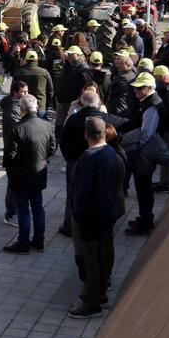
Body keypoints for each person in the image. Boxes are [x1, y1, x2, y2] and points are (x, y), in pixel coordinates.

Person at [68, 117, 126, 319]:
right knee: (104, 253)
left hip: (90, 217)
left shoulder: (88, 159)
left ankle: (91, 301)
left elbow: (81, 192)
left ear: (86, 135)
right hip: (109, 214)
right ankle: (101, 291)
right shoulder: (114, 154)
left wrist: (78, 215)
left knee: (91, 259)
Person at [3, 94, 56, 253]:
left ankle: (23, 242)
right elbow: (52, 148)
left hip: (21, 176)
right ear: (37, 107)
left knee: (23, 210)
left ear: (22, 109)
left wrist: (11, 169)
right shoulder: (47, 125)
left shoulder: (18, 128)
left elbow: (10, 156)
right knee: (38, 208)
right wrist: (43, 159)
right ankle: (39, 241)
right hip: (39, 174)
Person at [120, 72, 169, 236]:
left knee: (144, 187)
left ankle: (146, 221)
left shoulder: (152, 105)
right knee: (143, 187)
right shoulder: (148, 102)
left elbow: (146, 133)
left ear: (149, 88)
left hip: (144, 154)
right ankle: (144, 218)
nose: (135, 92)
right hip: (144, 152)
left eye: (139, 89)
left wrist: (135, 147)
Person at [58, 88, 110, 236]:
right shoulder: (104, 119)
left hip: (75, 161)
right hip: (99, 160)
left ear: (82, 101)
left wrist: (69, 158)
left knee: (72, 194)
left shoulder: (73, 119)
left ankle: (69, 226)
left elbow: (63, 141)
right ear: (98, 102)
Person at [0, 80, 29, 224]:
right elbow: (21, 127)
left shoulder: (18, 104)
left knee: (17, 182)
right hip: (14, 150)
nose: (26, 94)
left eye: (27, 91)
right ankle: (11, 214)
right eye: (23, 92)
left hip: (17, 148)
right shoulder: (12, 107)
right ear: (15, 92)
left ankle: (14, 211)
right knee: (14, 182)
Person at [55, 47, 92, 132]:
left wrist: (78, 100)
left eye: (71, 54)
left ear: (78, 55)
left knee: (71, 127)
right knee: (60, 126)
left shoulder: (83, 68)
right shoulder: (67, 65)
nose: (68, 56)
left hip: (74, 103)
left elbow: (85, 86)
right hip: (62, 101)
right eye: (68, 54)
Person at [106, 51, 138, 122]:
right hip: (126, 107)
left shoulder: (121, 78)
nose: (118, 65)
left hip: (118, 109)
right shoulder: (133, 74)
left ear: (128, 65)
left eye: (121, 64)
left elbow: (110, 93)